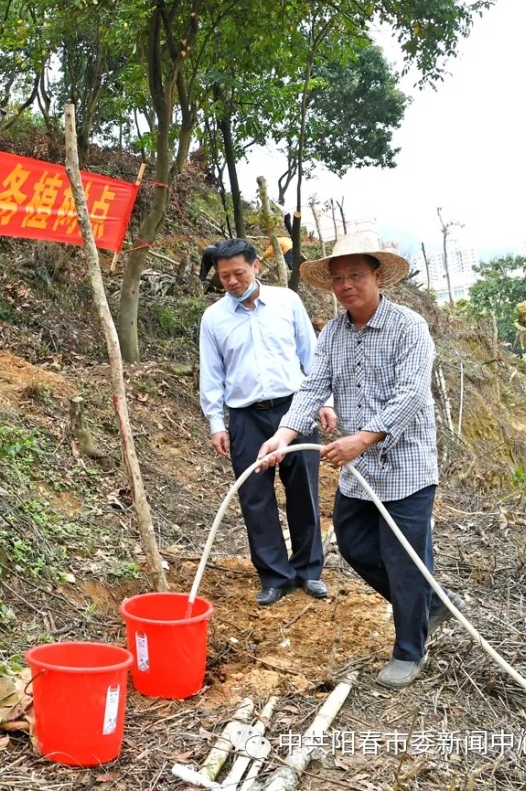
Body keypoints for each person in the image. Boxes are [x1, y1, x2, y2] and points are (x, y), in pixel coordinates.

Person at [255, 229, 465, 689]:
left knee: (404, 559)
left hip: (406, 466)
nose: (346, 285)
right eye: (338, 278)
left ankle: (409, 650)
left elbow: (411, 393)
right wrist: (283, 436)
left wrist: (364, 438)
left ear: (377, 276)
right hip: (360, 470)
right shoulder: (333, 333)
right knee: (352, 544)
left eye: (355, 275)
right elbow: (313, 388)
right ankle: (431, 603)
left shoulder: (409, 326)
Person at [198, 238, 329, 606]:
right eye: (225, 276)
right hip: (246, 417)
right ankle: (275, 576)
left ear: (257, 266)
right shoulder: (214, 318)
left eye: (239, 273)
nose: (232, 281)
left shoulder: (287, 301)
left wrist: (324, 401)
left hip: (295, 408)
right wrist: (216, 423)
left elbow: (313, 356)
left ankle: (309, 570)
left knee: (303, 490)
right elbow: (212, 373)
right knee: (255, 497)